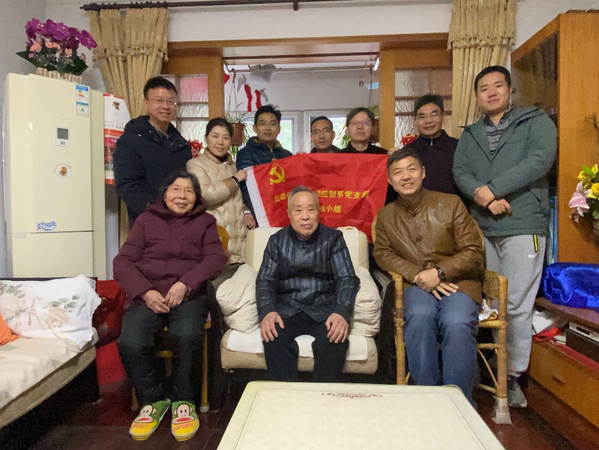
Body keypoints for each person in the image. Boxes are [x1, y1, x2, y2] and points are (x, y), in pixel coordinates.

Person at [452, 65, 557, 408]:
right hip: (483, 226)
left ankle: (512, 376)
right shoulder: (471, 134)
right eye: (484, 88)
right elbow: (460, 171)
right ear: (477, 97)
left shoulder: (535, 121)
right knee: (492, 305)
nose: (491, 92)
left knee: (515, 304)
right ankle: (492, 370)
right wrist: (485, 198)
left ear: (510, 90)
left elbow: (540, 161)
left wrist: (493, 189)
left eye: (498, 85)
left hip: (522, 223)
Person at [115, 170, 227, 442]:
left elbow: (215, 258)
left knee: (187, 335)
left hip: (188, 296)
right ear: (164, 194)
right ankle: (152, 400)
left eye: (189, 191)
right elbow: (123, 262)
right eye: (176, 189)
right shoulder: (145, 220)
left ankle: (183, 400)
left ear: (196, 197)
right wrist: (146, 291)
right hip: (149, 295)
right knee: (131, 340)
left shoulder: (206, 222)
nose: (182, 196)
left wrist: (185, 284)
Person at [373, 147, 484, 406]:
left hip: (458, 283)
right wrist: (418, 274)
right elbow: (382, 254)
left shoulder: (451, 203)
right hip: (417, 286)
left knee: (456, 322)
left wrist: (440, 272)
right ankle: (428, 401)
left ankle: (459, 404)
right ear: (389, 180)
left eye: (411, 169)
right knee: (419, 317)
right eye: (398, 172)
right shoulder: (386, 215)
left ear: (423, 172)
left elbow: (473, 250)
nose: (406, 176)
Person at [256, 186, 360, 382]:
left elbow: (347, 278)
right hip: (287, 308)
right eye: (298, 210)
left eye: (311, 209)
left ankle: (321, 396)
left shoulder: (334, 239)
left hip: (324, 308)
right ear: (289, 213)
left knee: (335, 339)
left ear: (318, 211)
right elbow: (265, 280)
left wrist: (341, 311)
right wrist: (268, 310)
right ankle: (286, 395)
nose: (305, 216)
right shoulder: (276, 241)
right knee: (273, 337)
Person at [114, 76, 192, 226]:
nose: (166, 106)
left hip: (179, 222)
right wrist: (158, 213)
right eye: (159, 100)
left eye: (171, 101)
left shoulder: (182, 145)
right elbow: (127, 185)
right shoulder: (131, 140)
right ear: (146, 103)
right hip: (147, 222)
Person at [187, 117, 256, 264]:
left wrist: (246, 211)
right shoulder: (195, 165)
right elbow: (206, 195)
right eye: (215, 136)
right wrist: (235, 179)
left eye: (225, 138)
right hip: (216, 241)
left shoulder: (233, 166)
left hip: (241, 242)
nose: (220, 142)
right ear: (206, 138)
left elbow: (239, 198)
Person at [236, 105, 293, 218]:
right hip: (261, 216)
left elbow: (293, 185)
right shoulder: (245, 153)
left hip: (285, 213)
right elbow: (247, 189)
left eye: (272, 124)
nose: (268, 128)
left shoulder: (287, 155)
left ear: (279, 129)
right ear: (255, 128)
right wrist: (261, 216)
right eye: (263, 123)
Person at [410, 94, 460, 196]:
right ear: (415, 119)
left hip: (454, 205)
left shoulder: (459, 147)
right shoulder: (408, 152)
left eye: (433, 114)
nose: (428, 121)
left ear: (443, 116)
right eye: (422, 116)